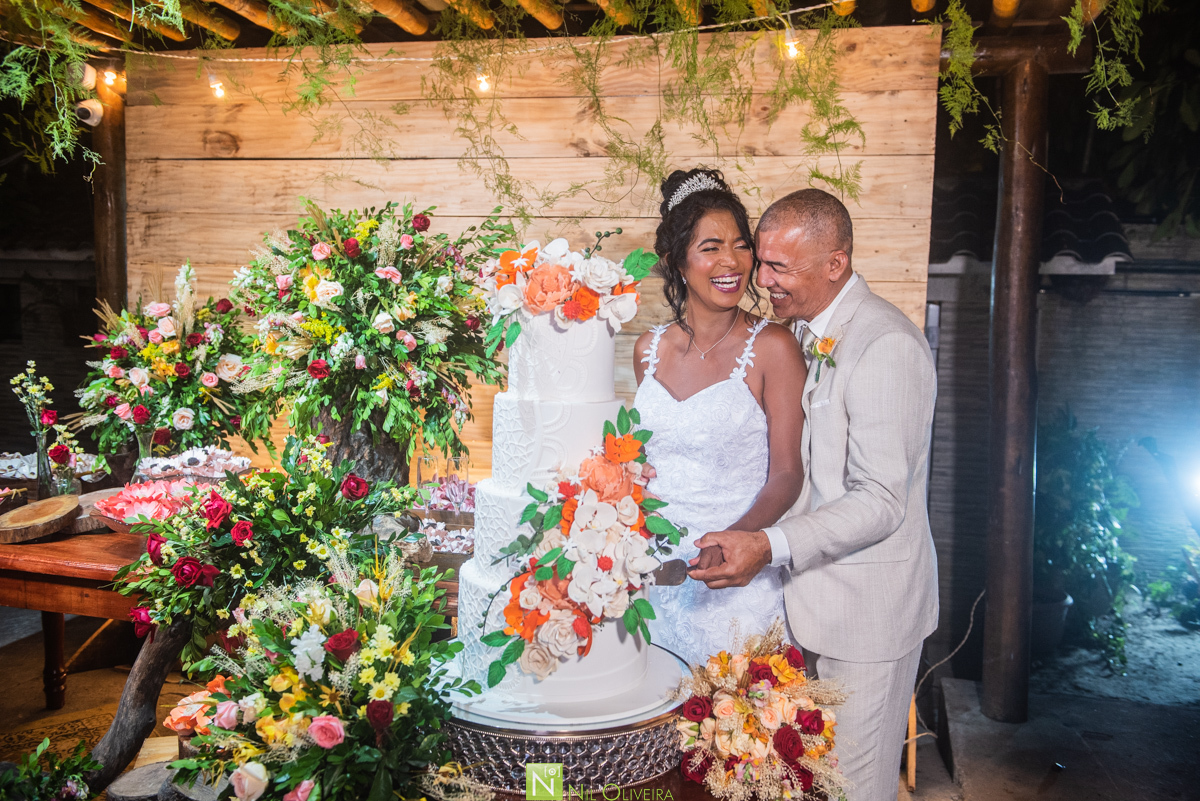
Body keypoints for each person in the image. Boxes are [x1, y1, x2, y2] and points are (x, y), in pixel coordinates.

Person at [689, 188, 939, 801]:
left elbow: (881, 499)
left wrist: (767, 544)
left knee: (854, 789)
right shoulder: (801, 332)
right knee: (808, 786)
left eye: (779, 267)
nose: (762, 279)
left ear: (836, 263)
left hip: (868, 616)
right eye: (763, 260)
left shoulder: (885, 346)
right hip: (805, 606)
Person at [632, 168, 808, 666]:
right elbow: (638, 463)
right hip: (654, 581)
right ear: (676, 262)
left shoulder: (773, 348)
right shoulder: (647, 349)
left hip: (736, 583)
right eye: (710, 247)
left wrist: (740, 540)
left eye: (740, 245)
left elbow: (788, 473)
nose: (731, 261)